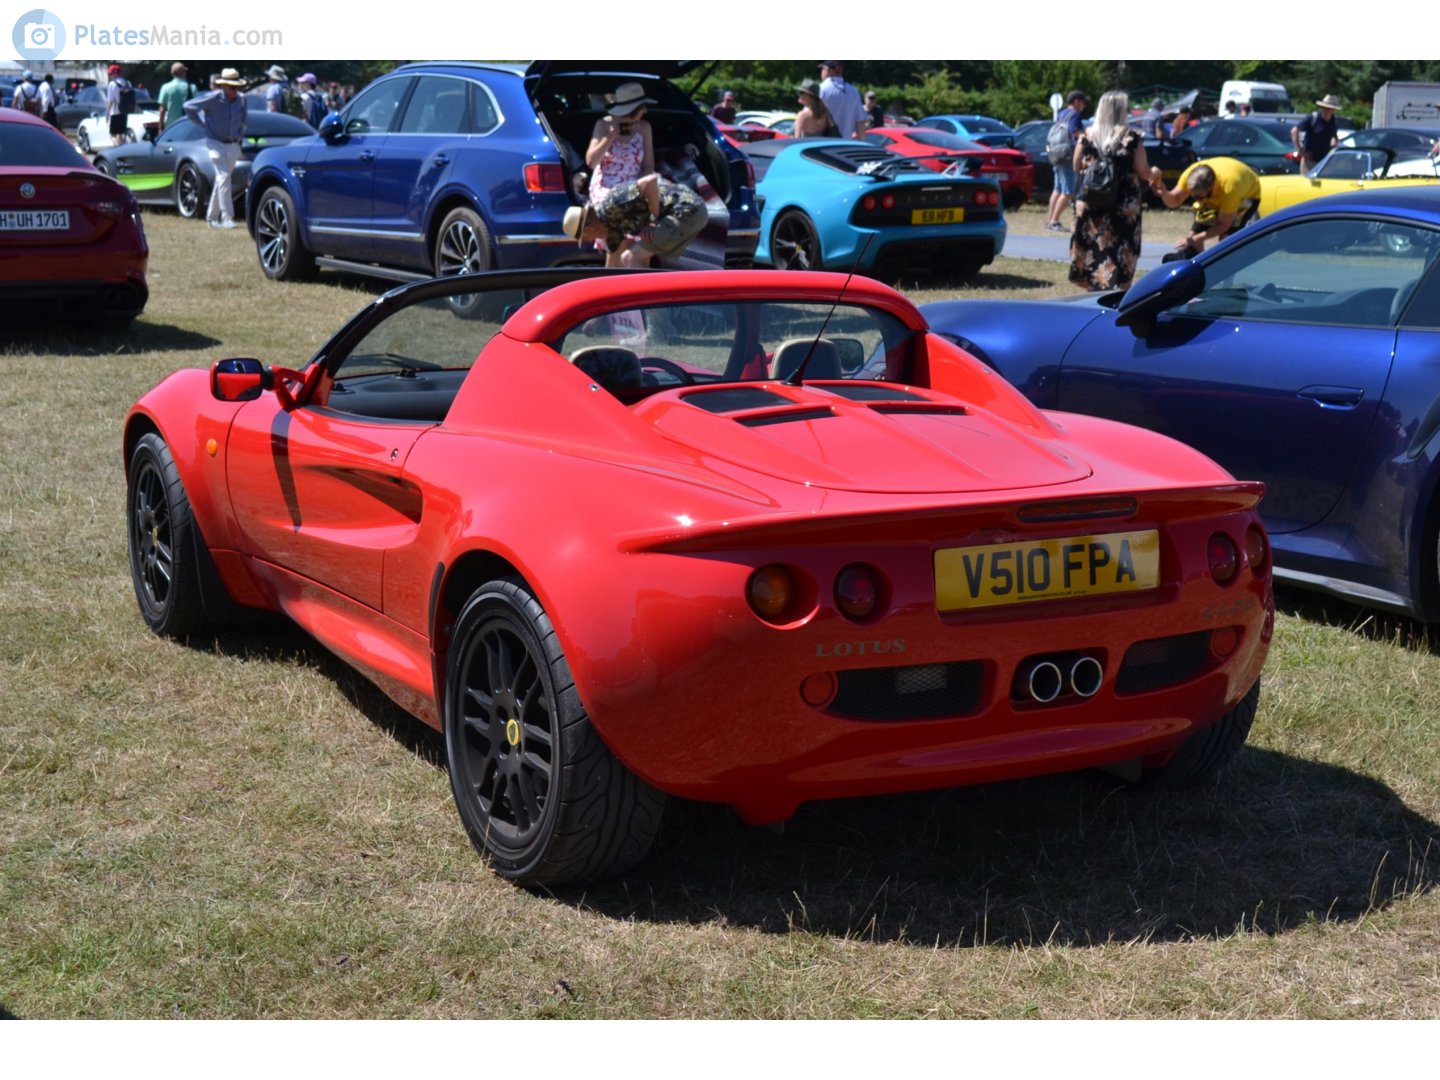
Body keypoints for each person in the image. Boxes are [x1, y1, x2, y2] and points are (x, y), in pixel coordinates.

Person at [1069, 90, 1154, 292]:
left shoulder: (1087, 135)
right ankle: (1119, 289)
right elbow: (1143, 171)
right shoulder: (1131, 136)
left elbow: (1076, 165)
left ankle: (1094, 289)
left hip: (1092, 198)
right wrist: (1155, 173)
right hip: (1123, 203)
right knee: (1122, 247)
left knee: (1094, 245)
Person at [562, 173, 707, 269]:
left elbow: (650, 181)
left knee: (630, 258)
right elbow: (612, 267)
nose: (590, 241)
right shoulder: (610, 229)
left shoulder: (613, 202)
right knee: (633, 259)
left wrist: (652, 221)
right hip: (684, 214)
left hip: (686, 209)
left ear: (589, 228)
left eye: (585, 238)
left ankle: (648, 305)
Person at [584, 82, 656, 266]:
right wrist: (609, 138)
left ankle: (625, 270)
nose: (645, 111)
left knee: (636, 215)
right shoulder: (603, 125)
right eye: (642, 108)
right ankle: (615, 271)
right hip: (606, 185)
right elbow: (591, 162)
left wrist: (645, 189)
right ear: (633, 110)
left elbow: (648, 165)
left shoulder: (644, 127)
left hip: (633, 183)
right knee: (619, 213)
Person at [1150, 157, 1261, 258]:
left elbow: (1223, 225)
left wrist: (1195, 239)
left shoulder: (1229, 189)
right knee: (1193, 239)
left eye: (1198, 196)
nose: (1194, 198)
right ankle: (1197, 267)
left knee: (1226, 239)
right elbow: (1175, 201)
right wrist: (1164, 193)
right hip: (1217, 191)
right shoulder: (1190, 175)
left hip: (1247, 195)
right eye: (1192, 194)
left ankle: (1229, 270)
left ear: (1210, 189)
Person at [184, 68, 248, 229]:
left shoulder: (242, 99)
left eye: (237, 87)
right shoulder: (213, 98)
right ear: (224, 86)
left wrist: (240, 136)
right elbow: (188, 106)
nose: (235, 90)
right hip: (215, 143)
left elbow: (244, 121)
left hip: (233, 144)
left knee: (222, 180)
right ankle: (227, 217)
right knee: (224, 177)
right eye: (232, 87)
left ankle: (212, 218)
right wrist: (203, 125)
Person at [1046, 89, 1088, 231]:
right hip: (1067, 156)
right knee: (1068, 192)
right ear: (1076, 101)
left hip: (1057, 154)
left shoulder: (1061, 114)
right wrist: (1085, 135)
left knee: (1057, 189)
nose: (1084, 106)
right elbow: (1074, 132)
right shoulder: (1075, 115)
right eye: (1083, 102)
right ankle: (1054, 221)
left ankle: (1050, 220)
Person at [1293, 94, 1341, 173]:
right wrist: (1300, 151)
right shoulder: (1313, 118)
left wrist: (1334, 146)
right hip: (1309, 162)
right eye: (1324, 108)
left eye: (1329, 109)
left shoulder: (1333, 122)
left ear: (1333, 110)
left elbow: (1334, 138)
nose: (1326, 110)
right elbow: (1294, 131)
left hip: (1324, 163)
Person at [818, 61, 865, 138]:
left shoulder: (821, 89)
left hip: (824, 142)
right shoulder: (854, 91)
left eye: (822, 69)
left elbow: (807, 117)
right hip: (846, 143)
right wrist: (862, 143)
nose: (821, 72)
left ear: (828, 70)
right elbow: (860, 122)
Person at [156, 62, 194, 130]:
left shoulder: (165, 87)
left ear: (172, 73)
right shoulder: (192, 87)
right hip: (189, 127)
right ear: (184, 72)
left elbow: (162, 110)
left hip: (172, 128)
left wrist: (161, 127)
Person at [105, 64, 136, 145]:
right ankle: (123, 149)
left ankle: (117, 149)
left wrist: (107, 113)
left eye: (110, 73)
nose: (110, 75)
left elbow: (110, 101)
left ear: (115, 73)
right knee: (121, 135)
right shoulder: (127, 83)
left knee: (112, 136)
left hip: (115, 113)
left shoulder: (112, 84)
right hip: (125, 112)